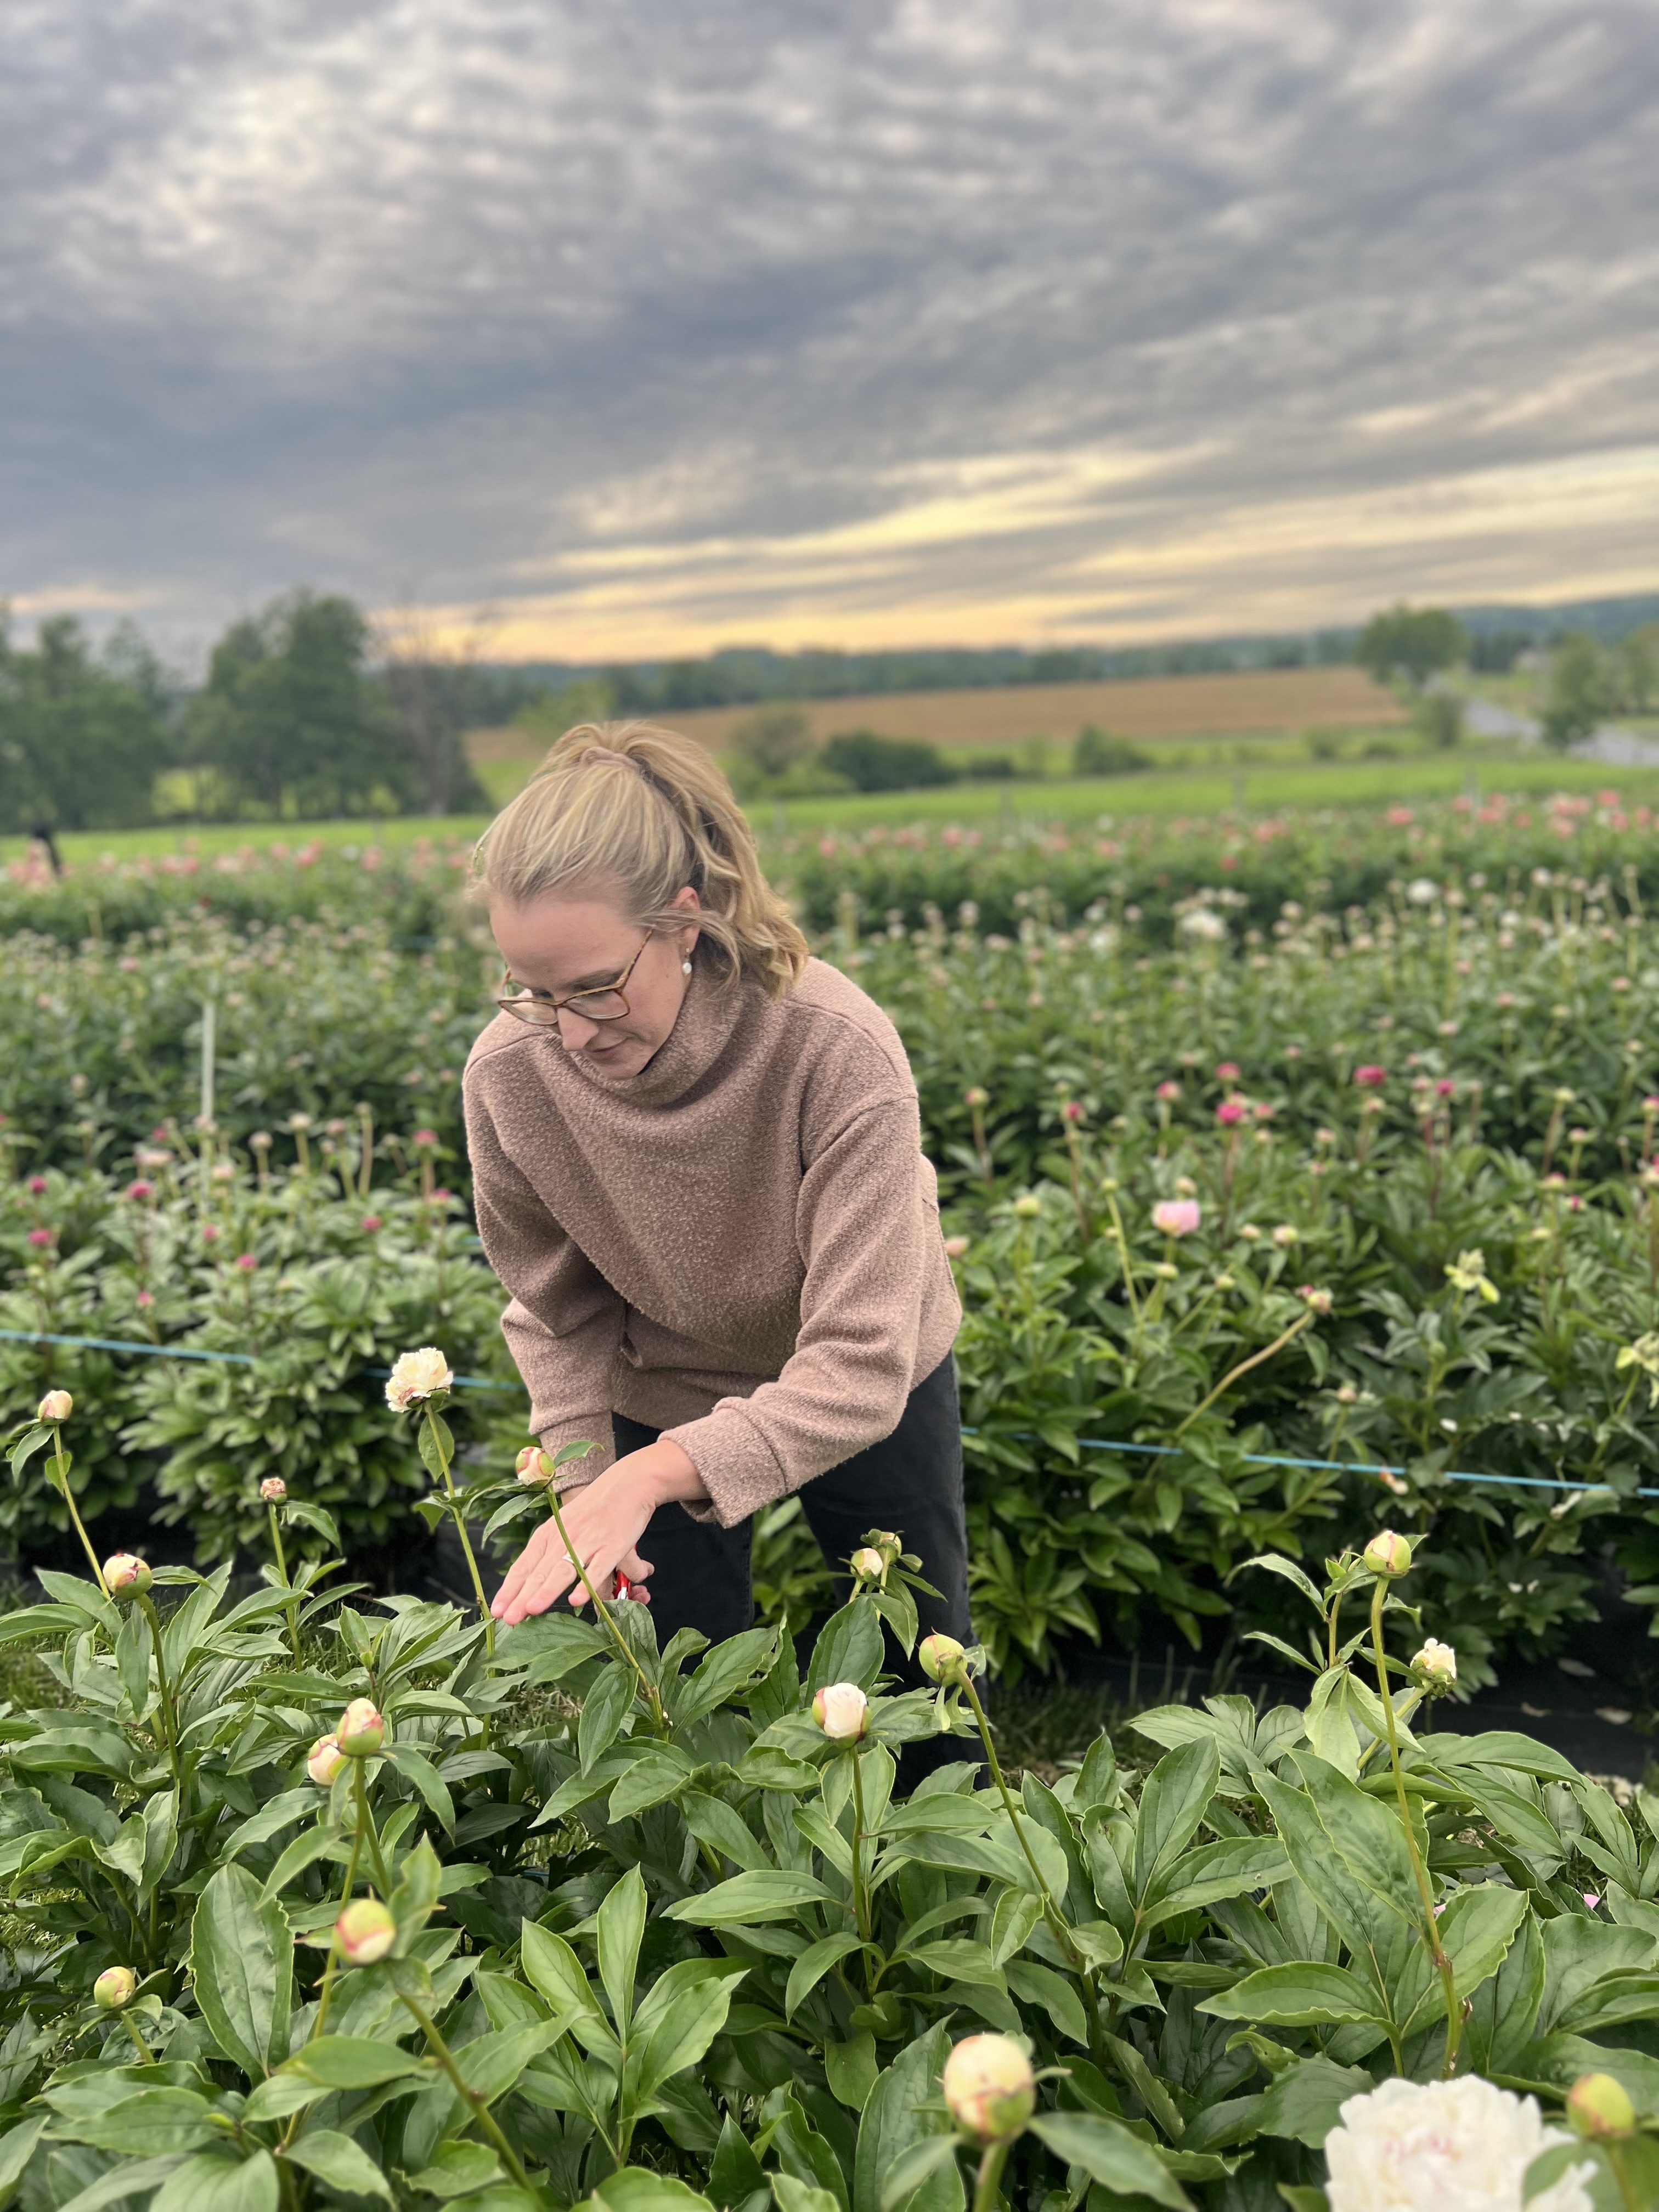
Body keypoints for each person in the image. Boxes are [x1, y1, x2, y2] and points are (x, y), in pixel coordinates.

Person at [462, 719, 972, 1710]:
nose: (569, 1031)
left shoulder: (832, 1048)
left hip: (861, 1377)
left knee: (923, 1678)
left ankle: (951, 1863)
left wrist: (655, 1474)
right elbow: (557, 1310)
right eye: (533, 992)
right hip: (658, 1377)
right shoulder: (510, 1075)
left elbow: (861, 1362)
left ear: (684, 923)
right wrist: (584, 1480)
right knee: (670, 1689)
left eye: (597, 988)